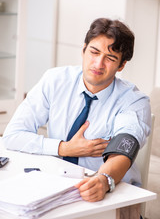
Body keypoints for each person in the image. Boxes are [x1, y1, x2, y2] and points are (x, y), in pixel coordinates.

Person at [2, 18, 151, 203]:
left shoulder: (134, 101)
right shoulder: (54, 80)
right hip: (56, 186)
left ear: (121, 65)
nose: (98, 64)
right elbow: (13, 135)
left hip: (112, 195)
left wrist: (103, 181)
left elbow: (121, 152)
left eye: (110, 58)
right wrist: (64, 148)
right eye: (94, 52)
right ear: (83, 50)